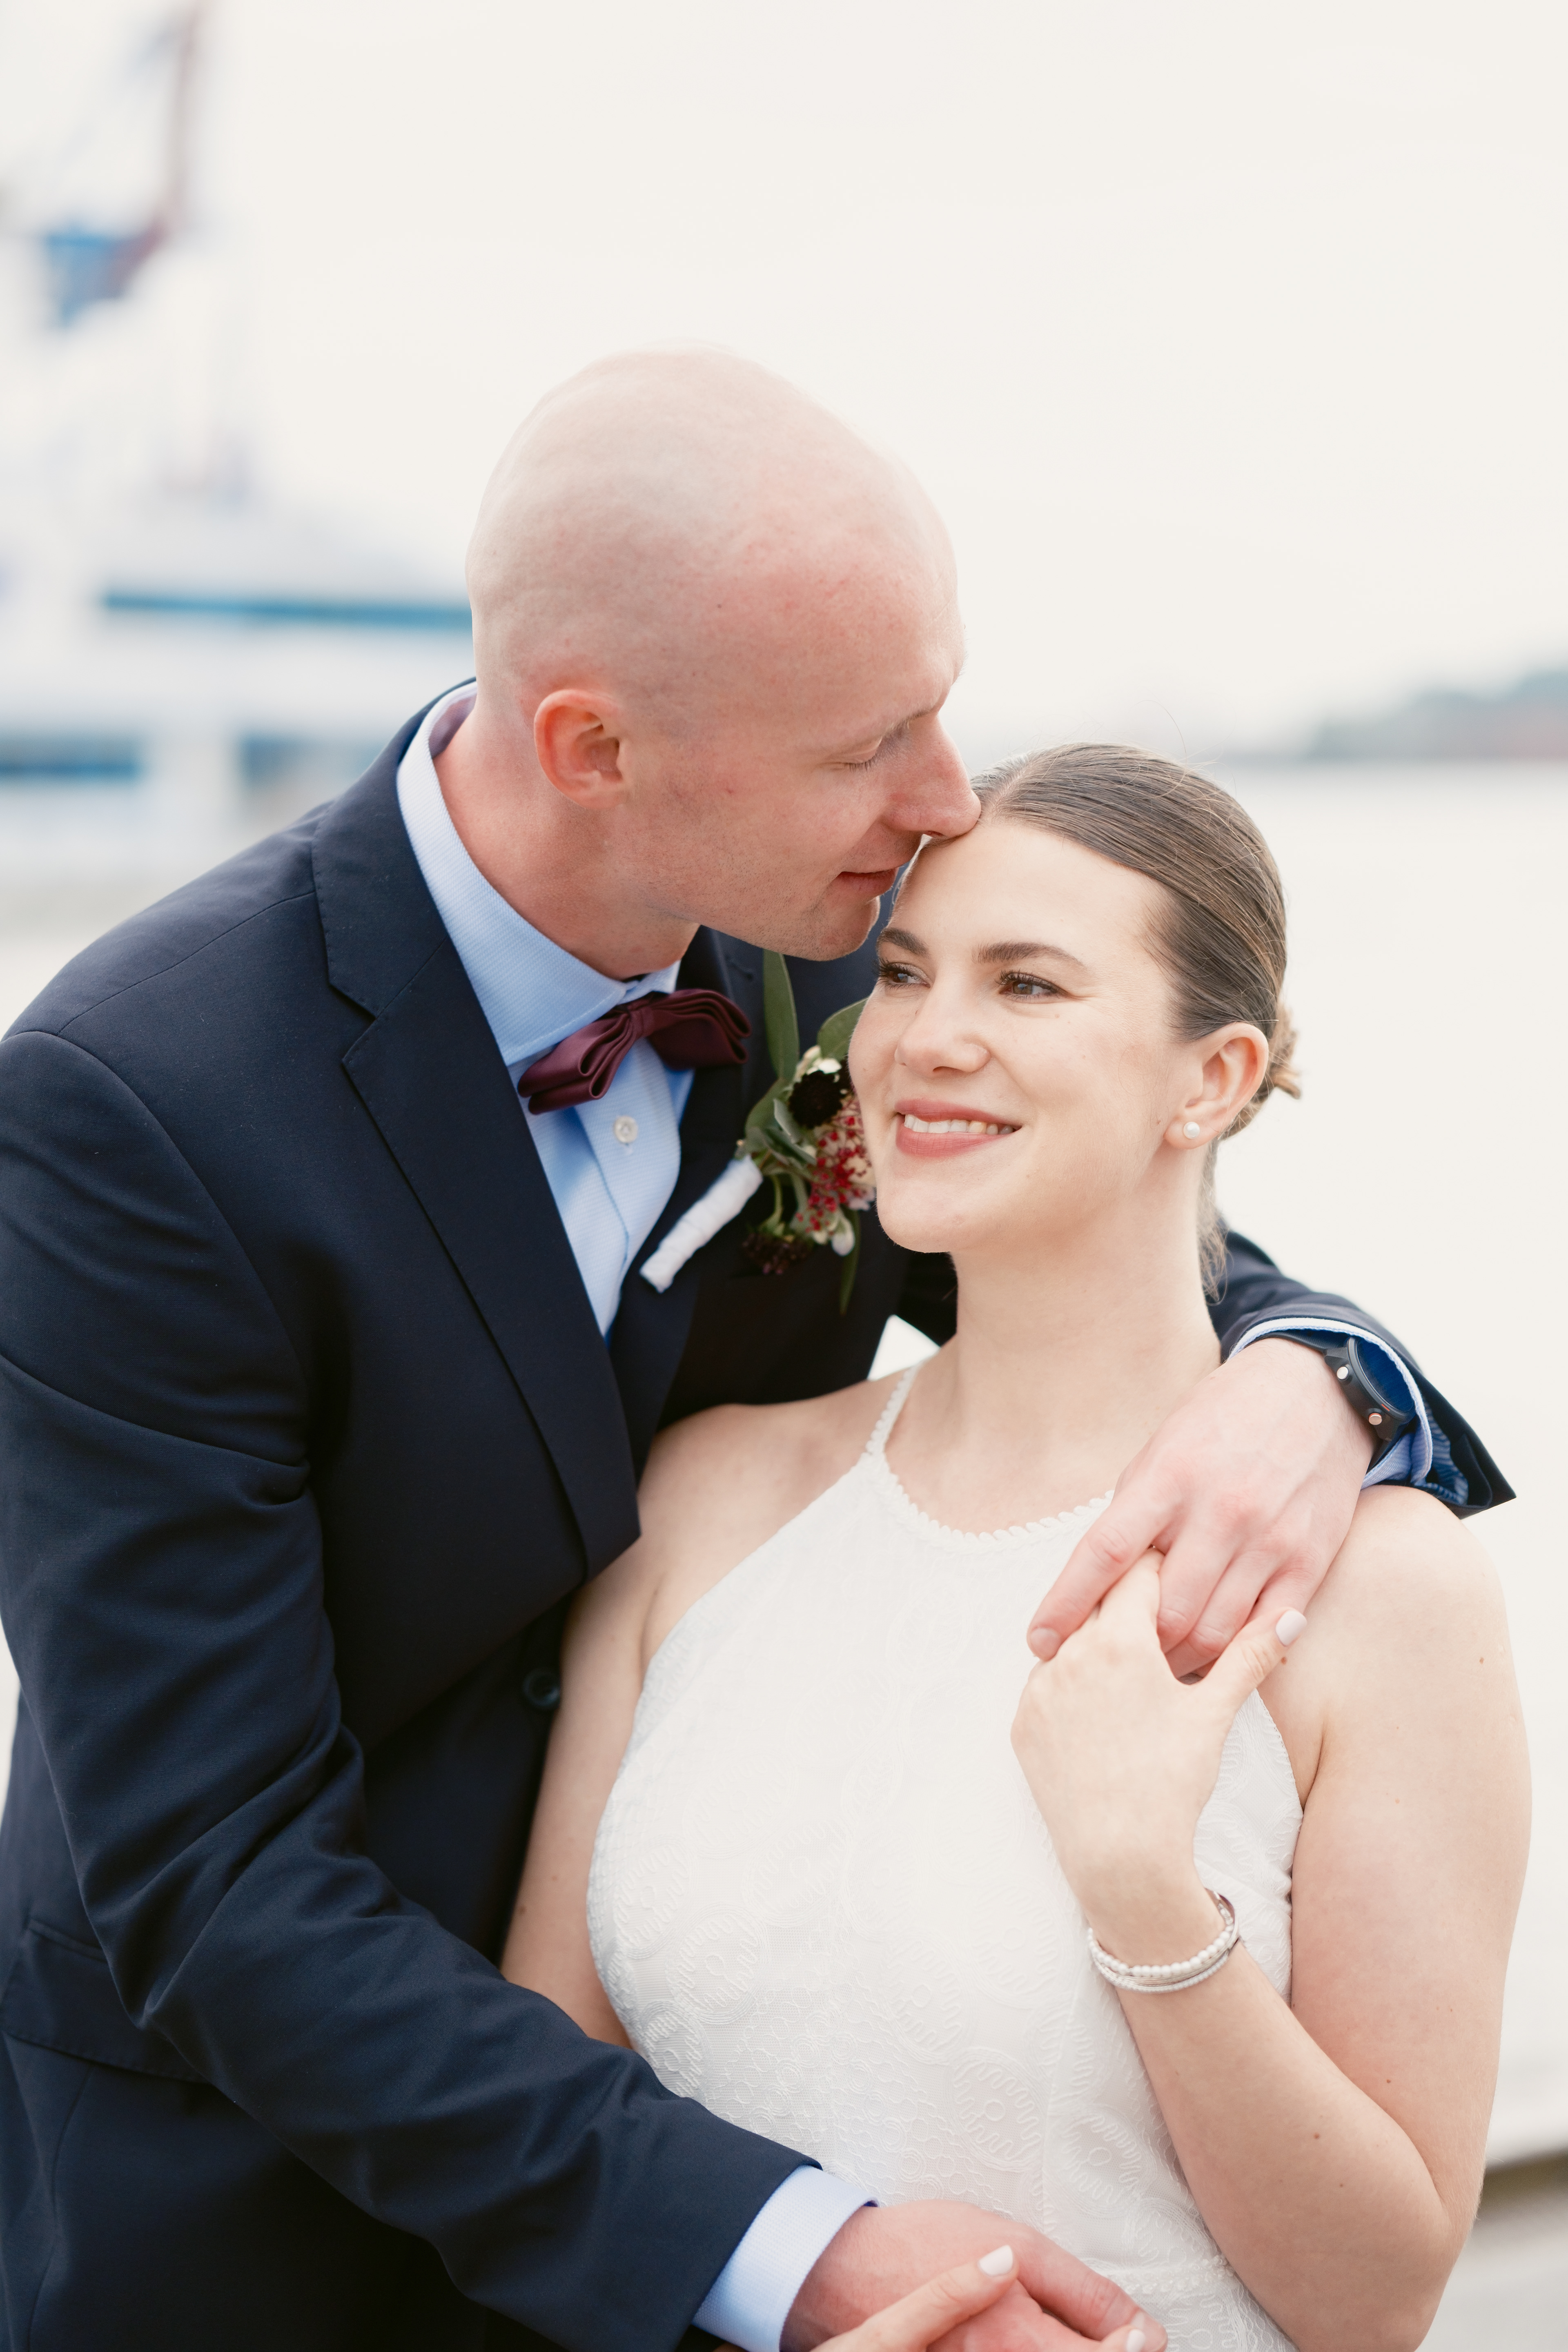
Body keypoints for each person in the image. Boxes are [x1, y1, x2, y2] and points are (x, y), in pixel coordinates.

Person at [0, 356, 1505, 2352]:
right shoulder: (134, 1107)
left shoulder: (833, 946)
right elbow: (210, 1878)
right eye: (875, 740)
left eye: (944, 702)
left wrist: (1321, 1371)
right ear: (597, 746)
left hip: (732, 2054)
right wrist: (800, 2253)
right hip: (254, 2212)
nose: (950, 799)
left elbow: (1082, 1228)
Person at [507, 747, 1528, 2352]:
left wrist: (1140, 1886)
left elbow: (1375, 2299)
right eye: (904, 973)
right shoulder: (707, 1500)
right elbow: (546, 2095)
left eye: (1029, 984)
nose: (929, 1038)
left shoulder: (1385, 1592)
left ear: (1215, 1078)